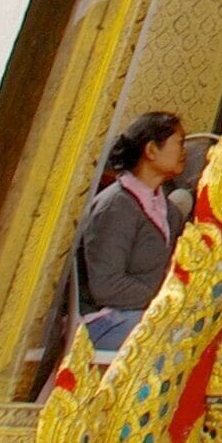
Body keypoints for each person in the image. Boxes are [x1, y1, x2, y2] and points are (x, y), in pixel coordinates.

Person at [71, 111, 185, 361]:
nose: (183, 151)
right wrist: (163, 299)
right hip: (105, 320)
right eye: (179, 142)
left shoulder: (171, 213)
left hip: (147, 314)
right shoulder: (116, 206)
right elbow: (107, 285)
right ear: (151, 150)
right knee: (177, 345)